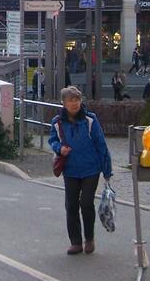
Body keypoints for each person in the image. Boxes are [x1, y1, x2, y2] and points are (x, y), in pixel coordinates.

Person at [48, 86, 113, 255]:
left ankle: (89, 239)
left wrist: (107, 170)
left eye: (77, 100)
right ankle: (75, 242)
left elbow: (101, 145)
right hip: (70, 169)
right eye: (71, 100)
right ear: (64, 103)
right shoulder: (57, 122)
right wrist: (59, 148)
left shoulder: (90, 120)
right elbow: (53, 140)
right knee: (71, 205)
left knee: (86, 203)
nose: (75, 103)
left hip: (91, 168)